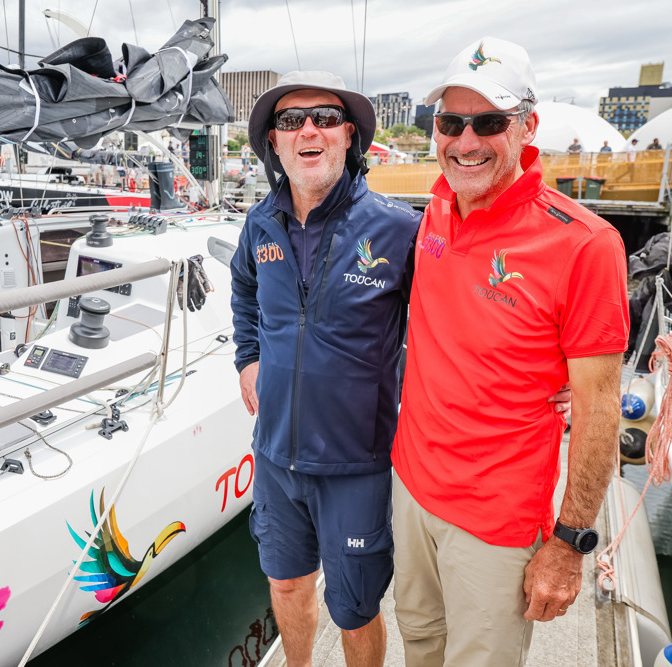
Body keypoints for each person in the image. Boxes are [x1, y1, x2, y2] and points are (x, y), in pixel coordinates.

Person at [391, 36, 629, 667]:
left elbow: (600, 408)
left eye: (489, 123)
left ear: (528, 127)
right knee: (419, 644)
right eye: (450, 122)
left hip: (494, 523)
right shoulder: (437, 206)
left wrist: (570, 543)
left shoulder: (586, 246)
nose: (465, 142)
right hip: (412, 489)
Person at [231, 71, 421, 667]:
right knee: (286, 585)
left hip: (355, 463)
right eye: (290, 121)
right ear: (275, 144)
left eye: (324, 118)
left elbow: (454, 321)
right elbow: (242, 290)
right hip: (275, 457)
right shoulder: (259, 222)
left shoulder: (398, 227)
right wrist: (248, 357)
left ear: (348, 138)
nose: (307, 129)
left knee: (355, 609)